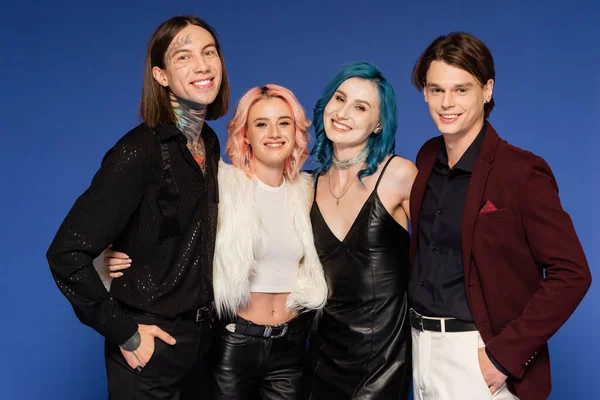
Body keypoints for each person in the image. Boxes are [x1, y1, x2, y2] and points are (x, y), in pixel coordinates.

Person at [104, 84, 328, 400]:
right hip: (233, 345)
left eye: (284, 122)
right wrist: (109, 255)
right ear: (245, 134)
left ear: (297, 131)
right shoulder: (221, 183)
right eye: (261, 123)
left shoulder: (308, 190)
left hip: (290, 350)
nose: (273, 132)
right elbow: (162, 221)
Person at [46, 15, 230, 399]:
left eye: (209, 52)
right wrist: (125, 334)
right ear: (161, 75)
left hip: (201, 346)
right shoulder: (139, 150)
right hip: (150, 346)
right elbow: (66, 253)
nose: (202, 65)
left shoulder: (208, 144)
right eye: (183, 57)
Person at [408, 32, 591, 400]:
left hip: (481, 357)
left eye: (462, 89)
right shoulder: (426, 157)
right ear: (425, 92)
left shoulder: (521, 171)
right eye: (436, 89)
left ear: (487, 90)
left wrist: (503, 357)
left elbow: (572, 273)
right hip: (421, 349)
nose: (447, 102)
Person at [301, 62, 416, 400]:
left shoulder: (399, 175)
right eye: (340, 98)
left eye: (360, 107)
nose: (344, 112)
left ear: (379, 124)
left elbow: (443, 256)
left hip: (381, 364)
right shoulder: (307, 186)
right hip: (319, 357)